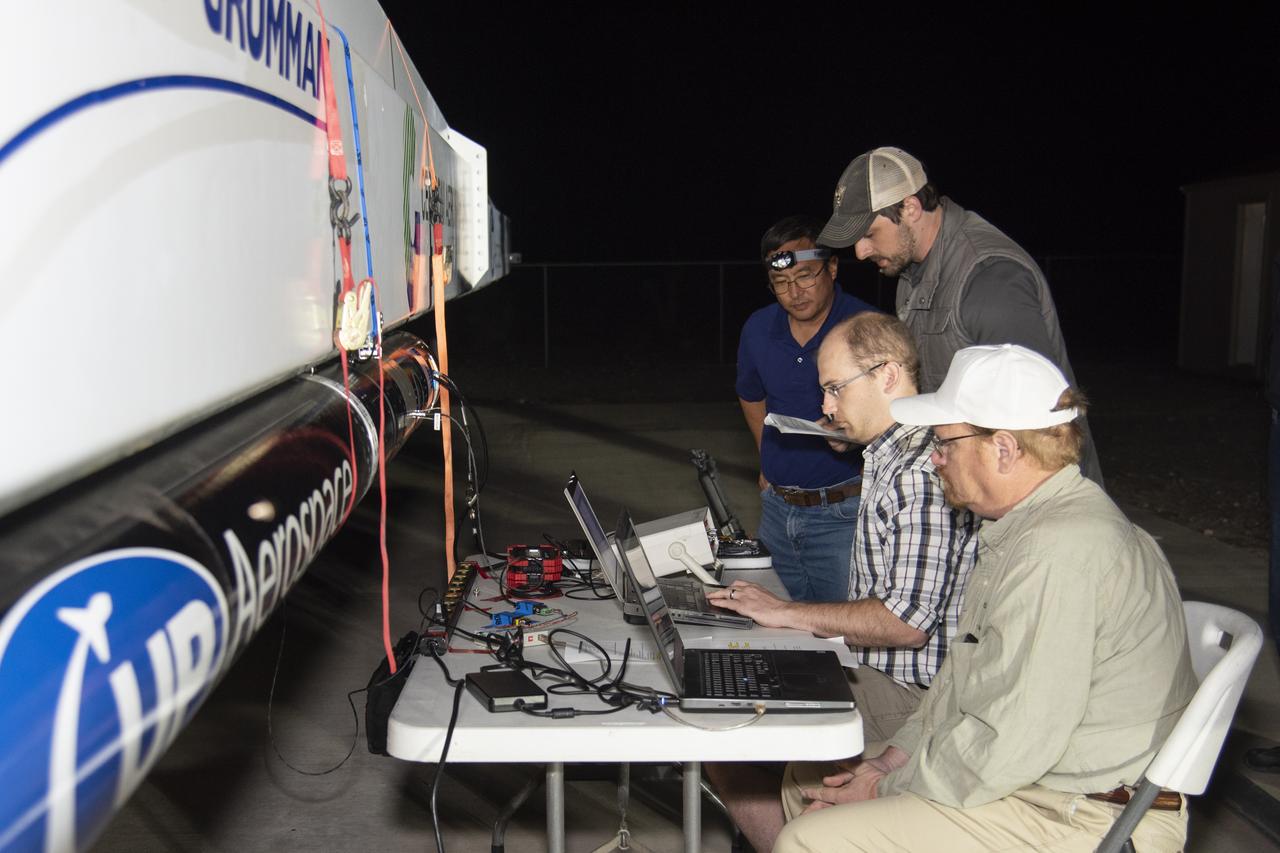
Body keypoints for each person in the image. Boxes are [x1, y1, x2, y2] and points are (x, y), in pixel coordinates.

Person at [773, 344, 1197, 853]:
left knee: (807, 839)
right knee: (806, 781)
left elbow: (1013, 742)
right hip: (1042, 784)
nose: (935, 457)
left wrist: (883, 787)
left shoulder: (1056, 552)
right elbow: (962, 686)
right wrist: (892, 759)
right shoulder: (1028, 527)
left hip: (1084, 813)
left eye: (945, 443)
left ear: (1004, 449)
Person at [707, 312, 978, 852]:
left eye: (835, 389)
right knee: (737, 689)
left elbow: (906, 623)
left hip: (913, 694)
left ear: (887, 376)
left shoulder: (918, 472)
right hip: (882, 670)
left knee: (722, 728)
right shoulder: (892, 451)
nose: (826, 407)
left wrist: (785, 613)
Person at [816, 146, 1103, 485]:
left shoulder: (988, 278)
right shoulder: (910, 273)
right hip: (973, 483)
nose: (861, 251)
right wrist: (862, 421)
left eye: (868, 234)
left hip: (1029, 493)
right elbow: (930, 392)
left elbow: (1036, 422)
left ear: (910, 208)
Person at [736, 215, 876, 601]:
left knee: (845, 626)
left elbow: (897, 413)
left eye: (805, 276)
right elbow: (751, 394)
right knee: (774, 624)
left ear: (832, 267)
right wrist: (765, 458)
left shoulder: (868, 328)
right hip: (776, 512)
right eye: (781, 282)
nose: (794, 292)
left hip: (844, 515)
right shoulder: (758, 329)